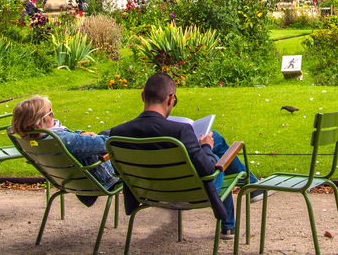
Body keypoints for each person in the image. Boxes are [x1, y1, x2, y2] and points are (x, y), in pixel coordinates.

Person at [107, 73, 257, 239]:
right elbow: (208, 170)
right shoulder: (179, 131)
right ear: (171, 99)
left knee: (215, 148)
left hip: (148, 195)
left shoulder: (117, 134)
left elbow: (118, 171)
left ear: (143, 97)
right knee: (219, 160)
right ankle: (250, 190)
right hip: (191, 195)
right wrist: (206, 147)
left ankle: (234, 218)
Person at [10, 96, 119, 196]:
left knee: (110, 132)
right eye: (50, 113)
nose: (53, 115)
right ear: (38, 124)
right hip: (104, 179)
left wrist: (80, 134)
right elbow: (108, 144)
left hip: (68, 182)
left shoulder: (34, 143)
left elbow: (71, 140)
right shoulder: (62, 140)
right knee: (124, 135)